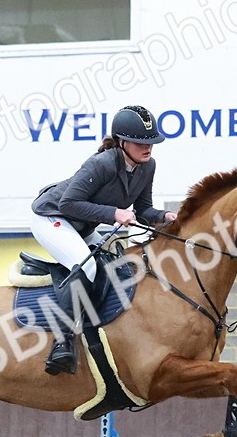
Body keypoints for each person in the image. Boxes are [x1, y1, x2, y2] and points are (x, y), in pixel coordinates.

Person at [30, 105, 177, 376]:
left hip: (82, 226)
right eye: (140, 143)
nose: (148, 148)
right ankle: (62, 343)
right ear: (122, 143)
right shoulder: (102, 163)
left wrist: (165, 216)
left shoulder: (147, 166)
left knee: (117, 267)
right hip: (52, 218)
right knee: (85, 267)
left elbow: (143, 210)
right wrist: (113, 214)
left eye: (151, 143)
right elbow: (69, 202)